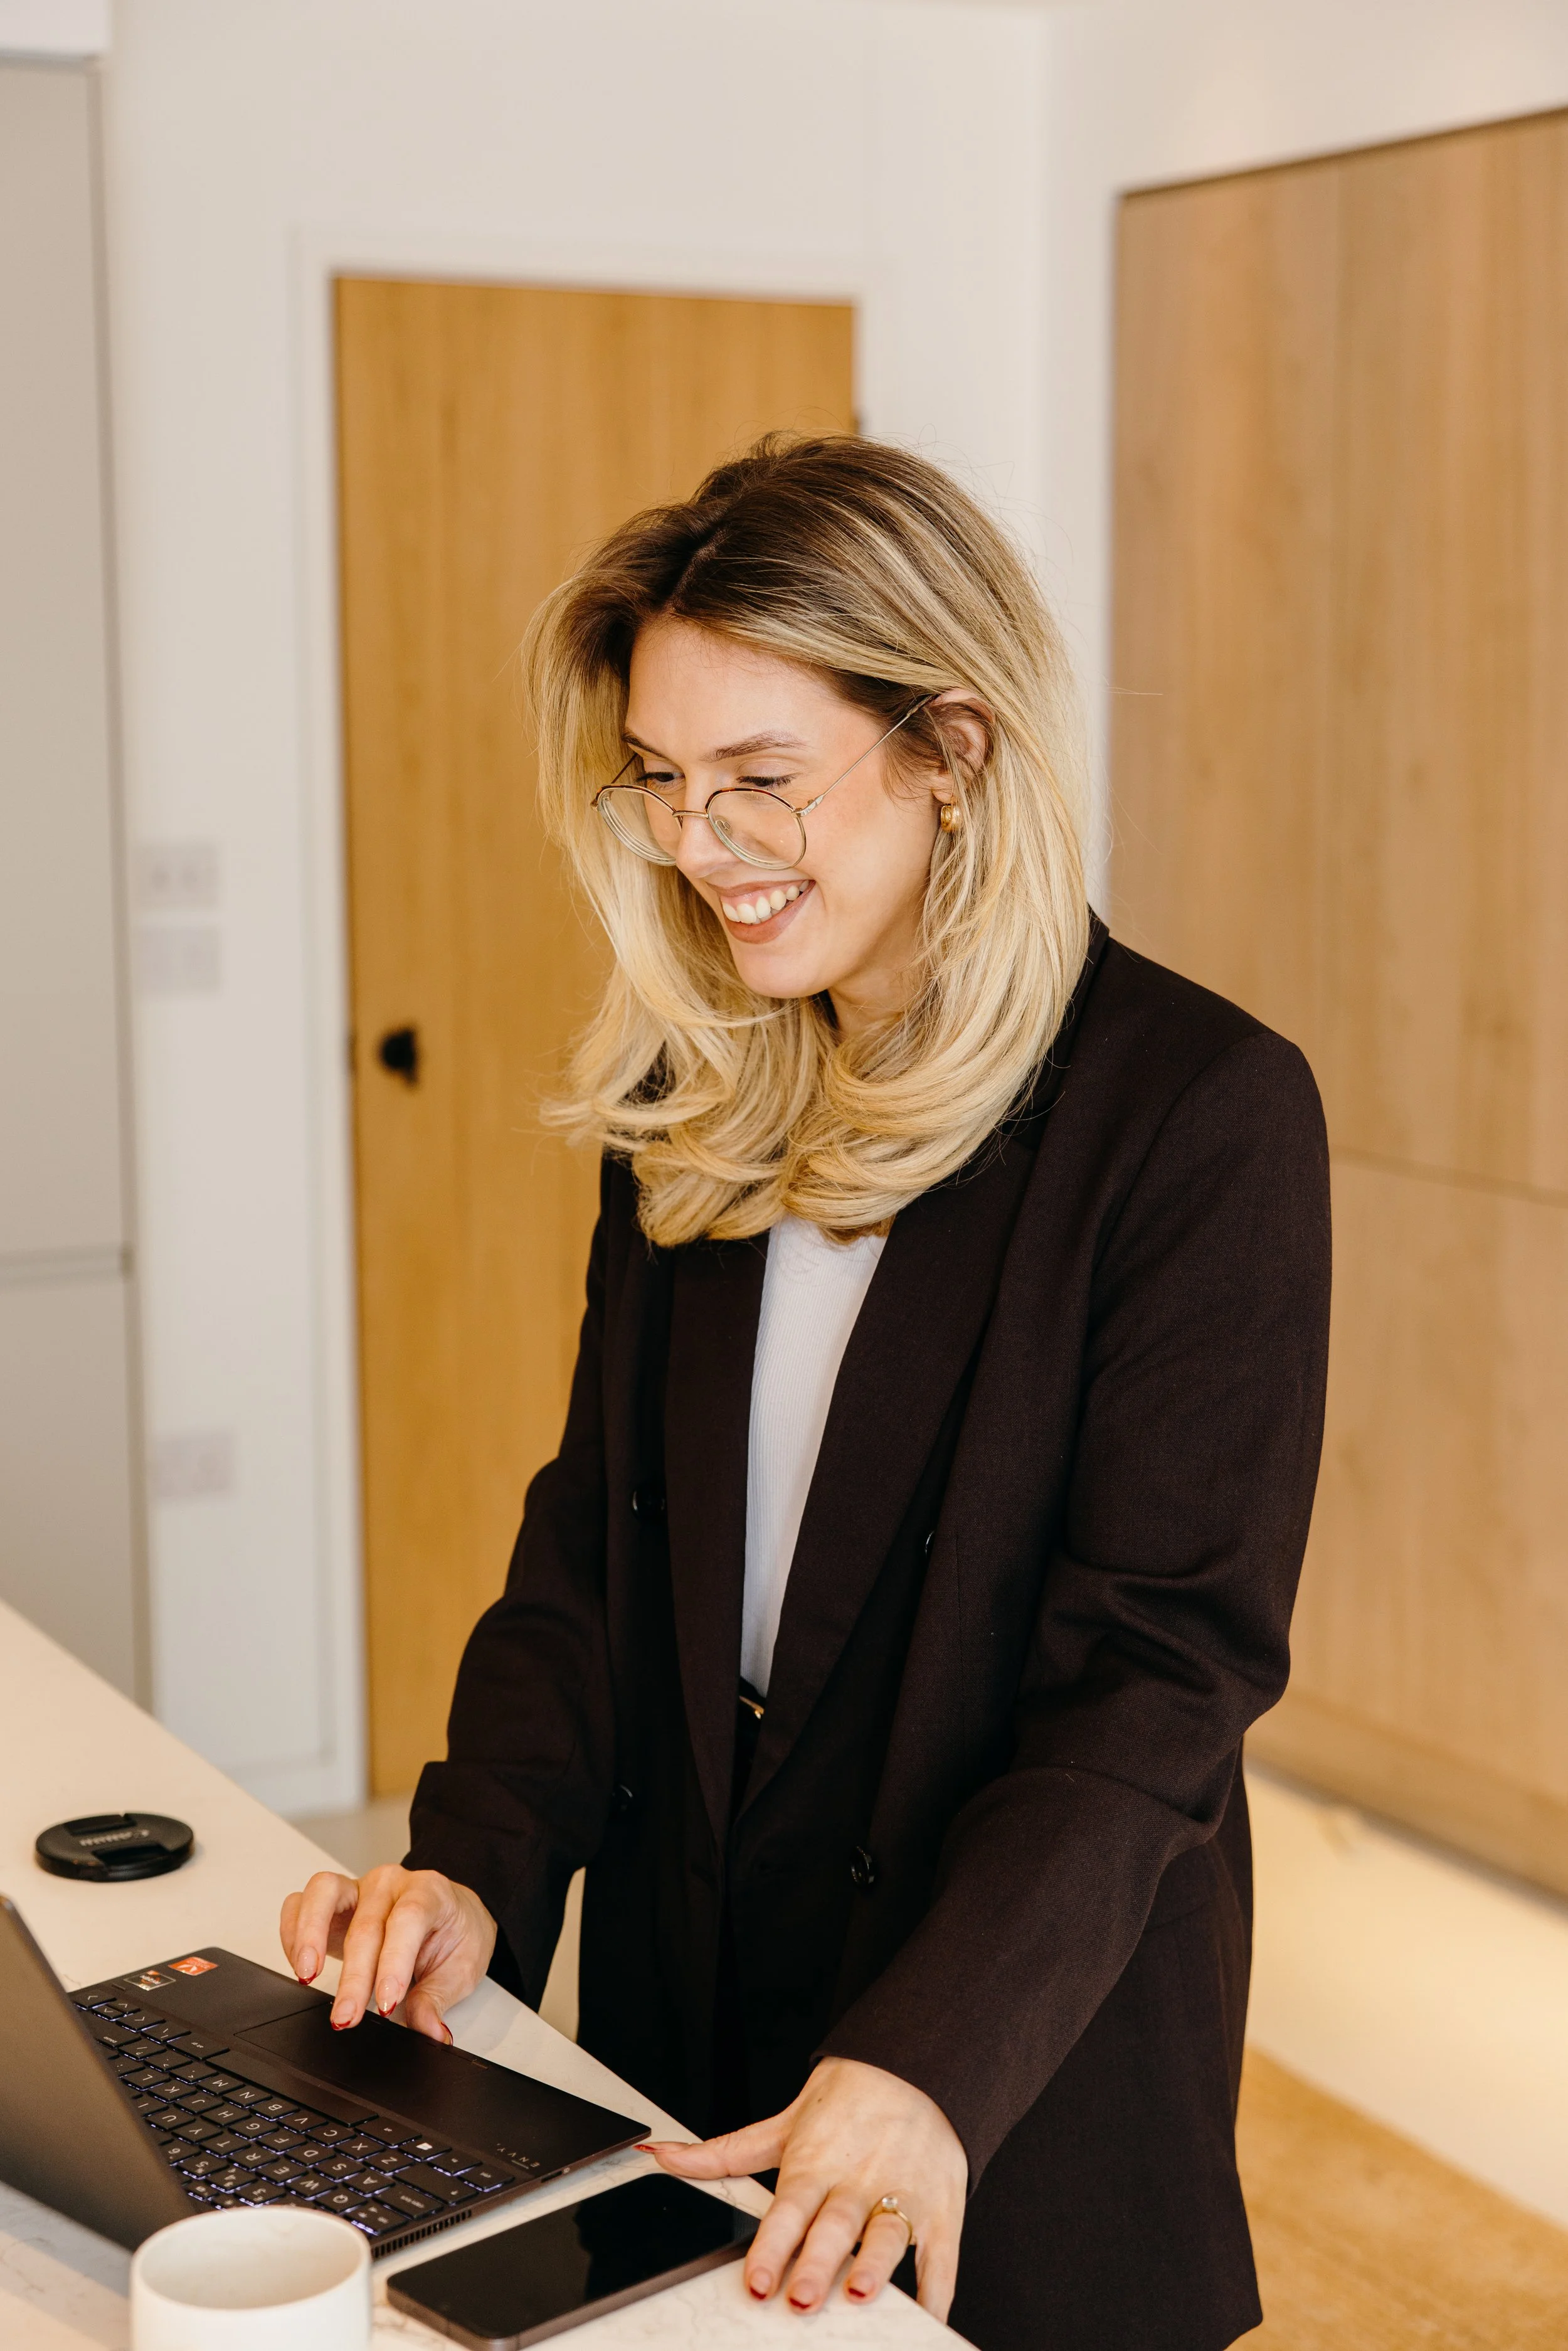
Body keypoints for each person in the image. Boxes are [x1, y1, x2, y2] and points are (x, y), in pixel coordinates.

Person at [281, 437, 1330, 2350]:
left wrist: (927, 2060)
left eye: (765, 780)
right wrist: (471, 1868)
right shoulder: (699, 1086)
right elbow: (587, 1555)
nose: (705, 846)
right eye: (666, 786)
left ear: (955, 747)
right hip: (688, 2018)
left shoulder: (1190, 1114)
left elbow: (1156, 1682)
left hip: (1009, 2055)